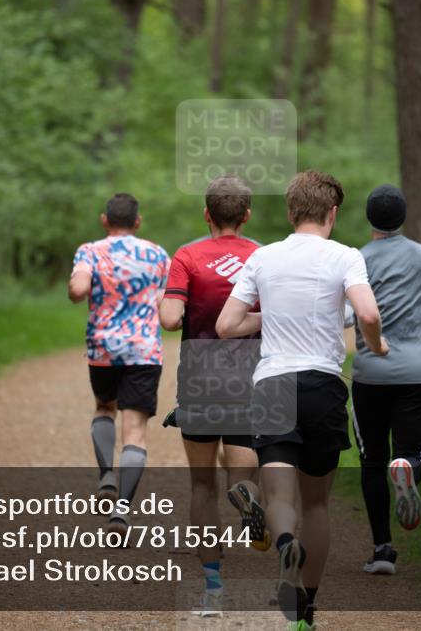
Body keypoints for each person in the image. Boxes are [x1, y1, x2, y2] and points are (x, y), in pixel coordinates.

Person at [216, 170, 388, 630]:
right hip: (322, 386)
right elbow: (367, 312)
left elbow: (226, 325)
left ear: (291, 213)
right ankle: (306, 611)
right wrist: (378, 343)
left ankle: (285, 540)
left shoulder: (264, 258)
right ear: (332, 214)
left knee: (278, 496)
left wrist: (268, 317)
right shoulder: (346, 256)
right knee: (317, 504)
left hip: (272, 383)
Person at [159, 175, 267, 618]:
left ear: (207, 214)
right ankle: (248, 497)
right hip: (249, 378)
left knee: (201, 484)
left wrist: (180, 304)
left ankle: (213, 585)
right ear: (246, 214)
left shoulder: (186, 256)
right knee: (243, 470)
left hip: (199, 381)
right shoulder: (263, 256)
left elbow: (169, 319)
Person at [350, 184, 421, 576]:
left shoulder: (357, 260)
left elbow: (349, 317)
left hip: (370, 374)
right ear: (403, 217)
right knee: (411, 449)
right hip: (420, 372)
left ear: (369, 218)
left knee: (370, 460)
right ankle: (408, 468)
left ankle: (382, 549)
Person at [68, 193, 170, 534]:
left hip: (104, 349)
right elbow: (166, 303)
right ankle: (122, 510)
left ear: (104, 220)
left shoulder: (90, 251)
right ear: (137, 222)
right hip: (144, 349)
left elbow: (79, 288)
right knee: (136, 431)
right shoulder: (157, 254)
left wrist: (76, 287)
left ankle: (106, 476)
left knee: (104, 408)